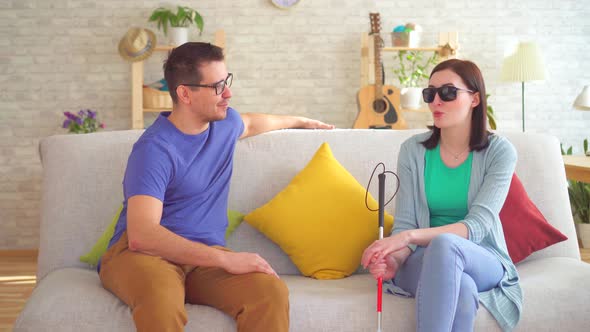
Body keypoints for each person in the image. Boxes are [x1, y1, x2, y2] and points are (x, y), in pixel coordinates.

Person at [98, 42, 334, 332]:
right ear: (185, 93)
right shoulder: (154, 149)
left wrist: (301, 121)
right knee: (161, 298)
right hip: (143, 256)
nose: (228, 93)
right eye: (217, 86)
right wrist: (225, 258)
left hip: (202, 260)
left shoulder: (224, 124)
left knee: (269, 292)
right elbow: (142, 235)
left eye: (227, 81)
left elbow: (254, 122)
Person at [361, 59, 522, 331]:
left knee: (445, 245)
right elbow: (405, 223)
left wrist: (408, 237)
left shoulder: (499, 152)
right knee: (462, 288)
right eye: (429, 93)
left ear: (474, 99)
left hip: (483, 257)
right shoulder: (413, 150)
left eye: (447, 92)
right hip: (422, 261)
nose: (436, 101)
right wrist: (394, 259)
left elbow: (478, 226)